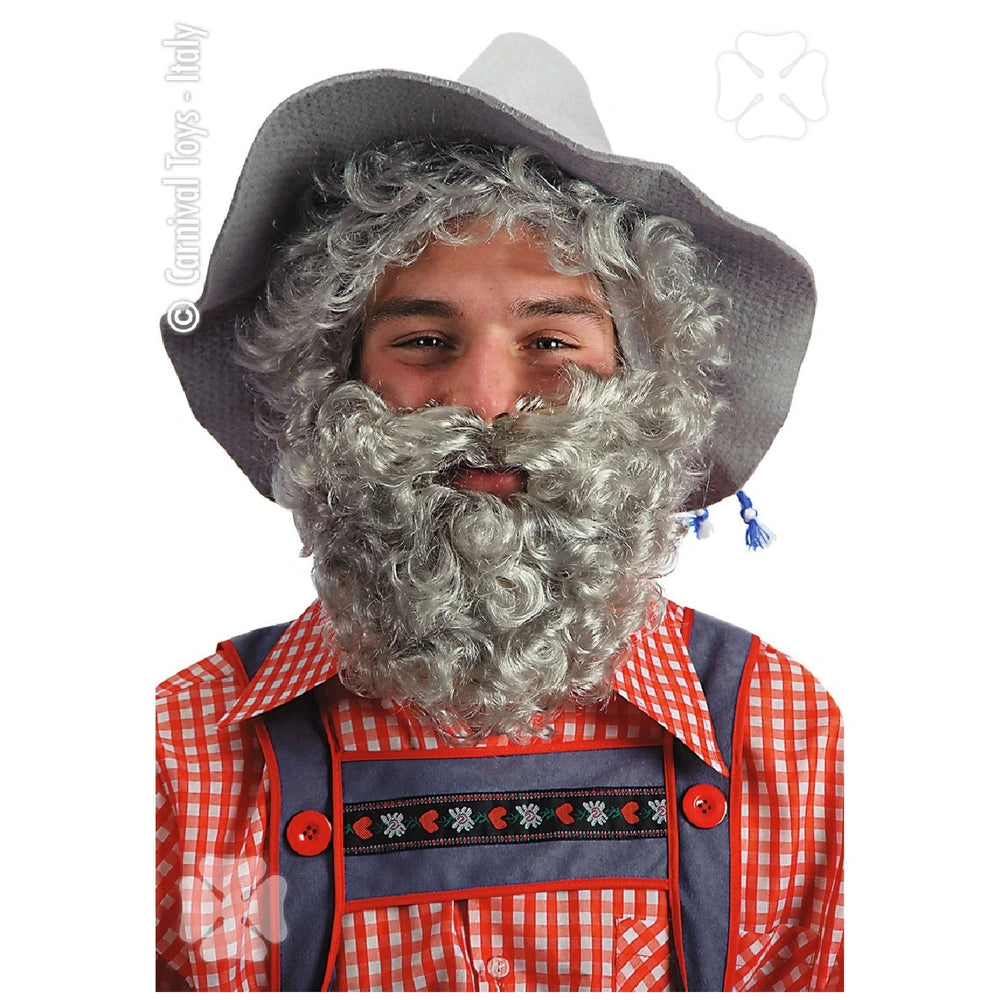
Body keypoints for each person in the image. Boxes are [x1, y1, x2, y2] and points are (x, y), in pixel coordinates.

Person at [156, 34, 843, 992]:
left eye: (551, 340)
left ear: (645, 388)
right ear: (332, 385)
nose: (483, 401)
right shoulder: (183, 752)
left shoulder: (786, 736)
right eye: (423, 339)